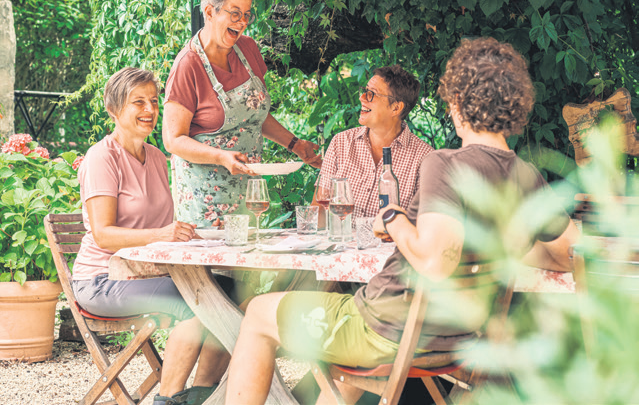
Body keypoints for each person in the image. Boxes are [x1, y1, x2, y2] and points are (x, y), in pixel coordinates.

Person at [225, 37, 580, 405]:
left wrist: (393, 217)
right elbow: (568, 254)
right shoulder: (526, 176)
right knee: (344, 356)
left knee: (257, 313)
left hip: (387, 327)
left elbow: (436, 261)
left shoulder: (445, 164)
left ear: (457, 102)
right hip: (460, 336)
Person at [71, 67, 228, 405]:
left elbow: (165, 228)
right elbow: (103, 235)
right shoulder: (102, 158)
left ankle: (201, 393)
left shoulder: (156, 158)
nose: (150, 110)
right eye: (138, 102)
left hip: (145, 273)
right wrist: (164, 233)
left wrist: (196, 235)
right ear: (114, 110)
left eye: (154, 102)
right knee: (196, 301)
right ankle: (168, 400)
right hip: (101, 280)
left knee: (230, 291)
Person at [163, 0, 321, 228]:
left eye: (247, 14)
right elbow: (173, 140)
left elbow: (253, 115)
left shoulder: (248, 48)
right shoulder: (187, 65)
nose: (243, 22)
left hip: (249, 192)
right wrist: (221, 157)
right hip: (206, 199)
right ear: (209, 12)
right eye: (235, 14)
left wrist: (295, 144)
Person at [315, 64, 433, 220]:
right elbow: (319, 210)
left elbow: (426, 223)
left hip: (391, 244)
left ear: (396, 108)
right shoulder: (340, 142)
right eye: (365, 91)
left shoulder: (425, 158)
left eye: (372, 94)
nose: (362, 98)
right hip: (342, 243)